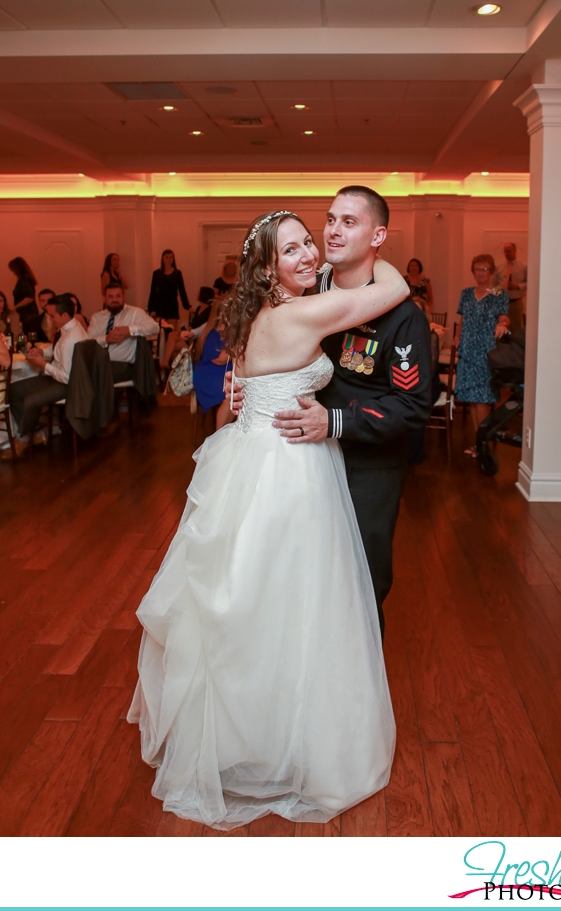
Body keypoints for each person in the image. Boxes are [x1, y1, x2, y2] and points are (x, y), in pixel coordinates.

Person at [126, 209, 408, 829]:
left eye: (312, 241)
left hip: (251, 459)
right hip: (290, 470)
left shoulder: (253, 317)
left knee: (254, 602)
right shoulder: (303, 313)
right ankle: (289, 739)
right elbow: (394, 289)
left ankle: (245, 732)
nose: (310, 254)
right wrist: (359, 252)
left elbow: (237, 397)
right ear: (269, 268)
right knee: (298, 602)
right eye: (295, 250)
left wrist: (241, 392)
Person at [258, 187, 433, 635]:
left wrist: (334, 422)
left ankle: (356, 684)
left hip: (367, 465)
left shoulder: (402, 314)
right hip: (302, 459)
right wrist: (245, 387)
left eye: (349, 222)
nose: (333, 230)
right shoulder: (305, 288)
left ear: (378, 236)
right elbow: (266, 344)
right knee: (301, 569)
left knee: (362, 574)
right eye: (331, 218)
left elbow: (411, 405)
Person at [1, 294, 89, 461]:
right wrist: (43, 352)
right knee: (14, 390)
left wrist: (42, 364)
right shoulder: (69, 327)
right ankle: (35, 432)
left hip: (68, 384)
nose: (49, 318)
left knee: (31, 400)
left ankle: (23, 438)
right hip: (59, 376)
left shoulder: (71, 338)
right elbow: (59, 350)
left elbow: (66, 376)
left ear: (64, 315)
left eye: (52, 316)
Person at [455, 254, 510, 455]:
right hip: (467, 350)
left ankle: (483, 444)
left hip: (486, 351)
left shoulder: (498, 293)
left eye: (485, 269)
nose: (481, 273)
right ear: (473, 271)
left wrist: (501, 324)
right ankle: (479, 443)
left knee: (482, 400)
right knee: (471, 400)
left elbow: (505, 316)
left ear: (492, 271)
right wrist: (457, 337)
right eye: (477, 269)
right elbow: (462, 320)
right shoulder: (466, 293)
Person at [87, 281, 160, 383]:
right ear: (104, 299)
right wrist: (106, 339)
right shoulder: (97, 317)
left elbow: (155, 327)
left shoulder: (134, 312)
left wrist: (129, 330)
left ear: (124, 297)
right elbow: (88, 341)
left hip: (122, 365)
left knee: (97, 376)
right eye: (111, 297)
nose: (115, 300)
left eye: (118, 296)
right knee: (80, 373)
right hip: (99, 363)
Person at [191, 296, 230, 430]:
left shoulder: (227, 333)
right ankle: (220, 437)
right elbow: (221, 360)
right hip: (209, 377)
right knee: (231, 396)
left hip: (223, 373)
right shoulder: (212, 334)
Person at [147, 249, 190, 321]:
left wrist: (187, 306)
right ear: (162, 259)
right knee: (161, 330)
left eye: (171, 257)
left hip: (172, 304)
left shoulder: (177, 273)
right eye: (166, 257)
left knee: (171, 329)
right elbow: (153, 291)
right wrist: (151, 308)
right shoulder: (156, 273)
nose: (169, 259)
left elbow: (182, 290)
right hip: (160, 305)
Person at [8, 258, 43, 339]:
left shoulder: (24, 280)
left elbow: (29, 298)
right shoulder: (25, 279)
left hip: (28, 314)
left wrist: (15, 307)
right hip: (27, 314)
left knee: (27, 335)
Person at [502, 241, 527, 333]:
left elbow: (530, 283)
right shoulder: (499, 267)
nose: (506, 254)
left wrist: (517, 286)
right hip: (501, 303)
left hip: (516, 303)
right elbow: (493, 285)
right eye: (505, 251)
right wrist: (500, 291)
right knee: (502, 329)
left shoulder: (523, 267)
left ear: (515, 251)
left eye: (509, 251)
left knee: (516, 330)